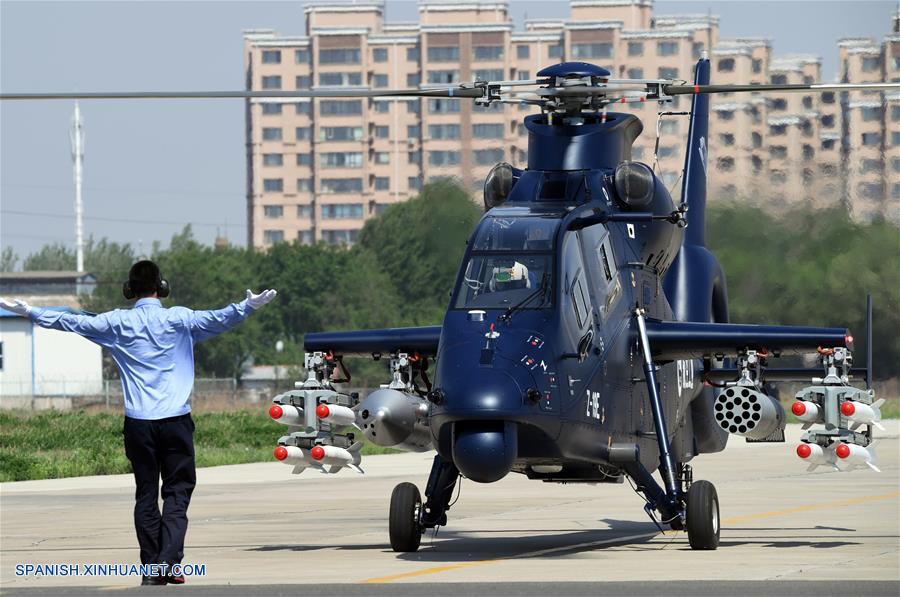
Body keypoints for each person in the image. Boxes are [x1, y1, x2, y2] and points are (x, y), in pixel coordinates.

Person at [0, 260, 277, 586]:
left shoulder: (116, 323)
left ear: (129, 290)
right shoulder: (180, 319)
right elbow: (219, 318)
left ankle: (153, 567)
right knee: (177, 492)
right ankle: (167, 561)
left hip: (138, 424)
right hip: (175, 420)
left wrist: (31, 311)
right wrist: (247, 306)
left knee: (146, 494)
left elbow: (71, 321)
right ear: (162, 287)